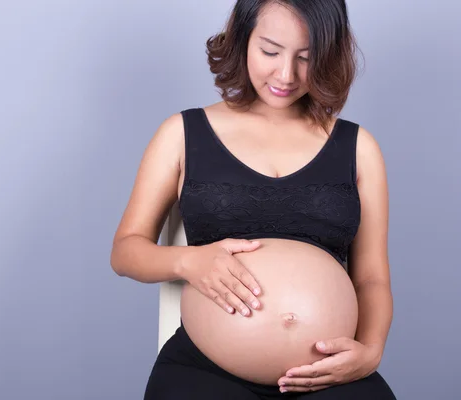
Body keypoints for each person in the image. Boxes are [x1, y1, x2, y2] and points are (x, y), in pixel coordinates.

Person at [110, 0, 397, 398]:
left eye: (306, 58)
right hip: (205, 369)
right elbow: (125, 251)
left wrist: (370, 352)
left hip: (328, 375)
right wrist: (188, 260)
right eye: (270, 51)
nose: (286, 74)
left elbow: (371, 279)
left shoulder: (359, 147)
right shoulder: (181, 133)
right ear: (243, 39)